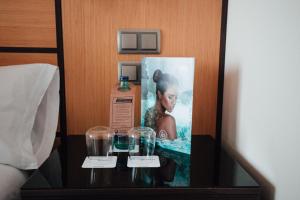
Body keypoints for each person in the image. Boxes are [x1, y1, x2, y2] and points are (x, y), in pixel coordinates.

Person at [144, 69, 178, 140]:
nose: (174, 102)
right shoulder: (169, 120)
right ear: (159, 94)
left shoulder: (148, 113)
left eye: (176, 97)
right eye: (170, 97)